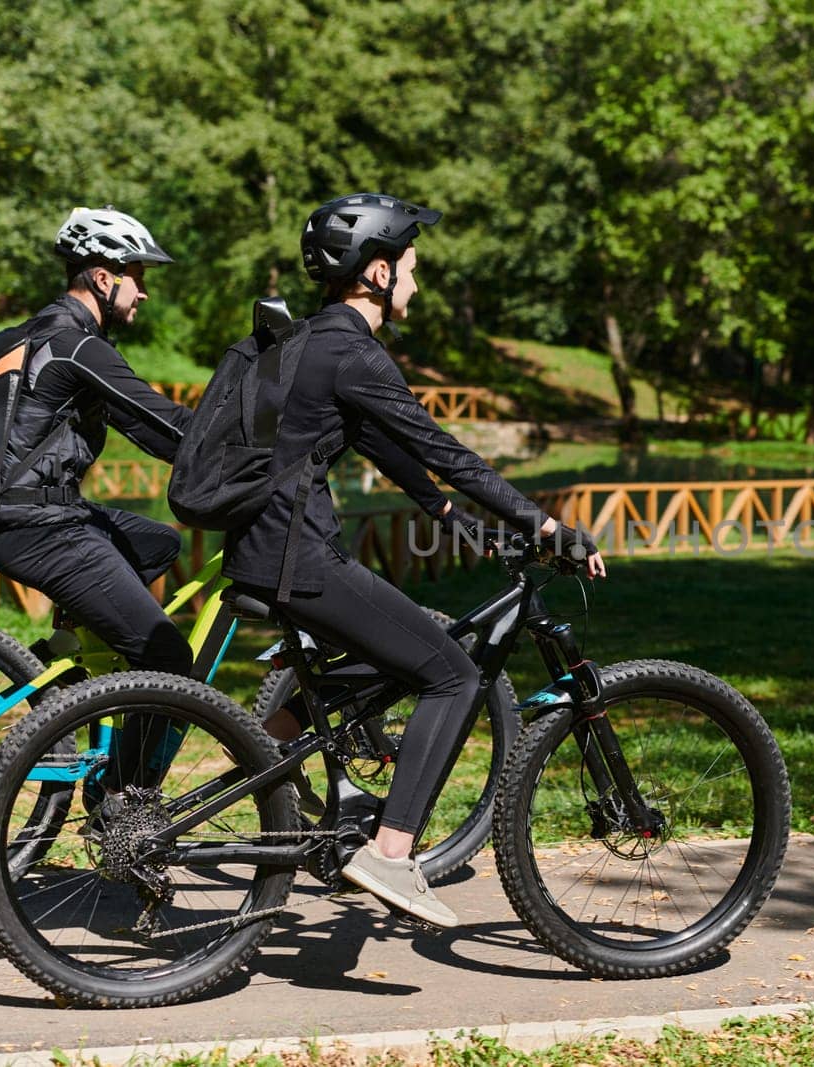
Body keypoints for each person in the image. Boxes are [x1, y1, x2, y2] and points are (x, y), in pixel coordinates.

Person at [223, 192, 606, 928]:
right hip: (296, 557)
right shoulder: (355, 351)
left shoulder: (317, 342)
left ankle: (269, 738)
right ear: (375, 272)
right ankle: (390, 854)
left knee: (407, 654)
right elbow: (443, 449)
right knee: (453, 672)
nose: (417, 286)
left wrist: (446, 516)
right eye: (411, 269)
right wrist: (548, 524)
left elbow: (382, 443)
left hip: (267, 548)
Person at [0, 207, 196, 677]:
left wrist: (210, 459)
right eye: (136, 276)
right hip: (39, 527)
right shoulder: (77, 346)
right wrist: (259, 448)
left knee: (157, 544)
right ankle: (124, 752)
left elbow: (152, 431)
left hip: (29, 517)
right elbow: (167, 416)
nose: (145, 292)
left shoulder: (49, 335)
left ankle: (71, 659)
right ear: (102, 278)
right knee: (168, 657)